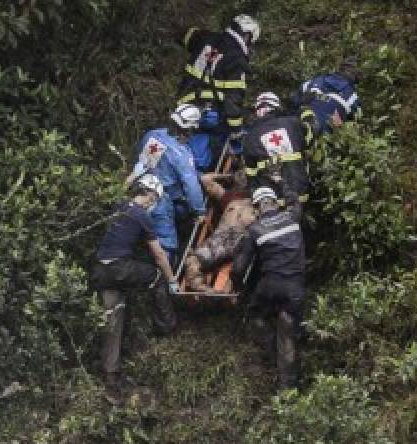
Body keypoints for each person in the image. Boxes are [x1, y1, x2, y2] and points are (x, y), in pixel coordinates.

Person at [91, 174, 179, 402]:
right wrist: (171, 279)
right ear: (149, 195)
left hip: (101, 271)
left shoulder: (118, 204)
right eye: (155, 199)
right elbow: (158, 254)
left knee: (114, 316)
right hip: (120, 269)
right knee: (156, 277)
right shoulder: (141, 215)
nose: (154, 203)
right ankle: (167, 327)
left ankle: (111, 378)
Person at [233, 179, 306, 390]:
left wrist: (240, 288)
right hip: (295, 288)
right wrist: (282, 182)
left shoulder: (254, 230)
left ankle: (268, 349)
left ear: (256, 208)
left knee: (255, 315)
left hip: (270, 287)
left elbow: (239, 268)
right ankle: (287, 388)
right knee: (288, 334)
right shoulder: (293, 217)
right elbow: (295, 201)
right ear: (276, 202)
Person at [177, 14, 261, 170]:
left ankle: (185, 165)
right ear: (247, 36)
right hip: (210, 114)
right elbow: (233, 99)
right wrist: (236, 131)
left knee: (188, 139)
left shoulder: (205, 37)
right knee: (223, 140)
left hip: (184, 104)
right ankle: (206, 173)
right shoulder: (237, 59)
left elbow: (184, 34)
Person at [127, 104, 207, 263]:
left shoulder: (154, 136)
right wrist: (199, 211)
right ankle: (164, 278)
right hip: (163, 202)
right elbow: (191, 187)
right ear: (190, 129)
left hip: (139, 193)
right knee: (166, 244)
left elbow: (145, 164)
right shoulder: (181, 153)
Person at [183, 169, 257, 292]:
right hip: (219, 240)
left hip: (241, 240)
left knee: (241, 265)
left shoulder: (258, 198)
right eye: (240, 174)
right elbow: (205, 179)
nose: (242, 176)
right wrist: (228, 176)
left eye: (245, 175)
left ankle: (231, 289)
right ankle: (204, 289)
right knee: (192, 261)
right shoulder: (228, 196)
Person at [242, 92, 312, 203]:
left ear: (257, 111)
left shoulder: (250, 136)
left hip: (272, 199)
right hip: (299, 193)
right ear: (277, 107)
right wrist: (306, 111)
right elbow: (311, 134)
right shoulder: (293, 123)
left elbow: (251, 175)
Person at [294, 56, 362, 138]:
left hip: (293, 129)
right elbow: (353, 126)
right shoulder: (352, 98)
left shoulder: (314, 81)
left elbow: (294, 101)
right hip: (320, 137)